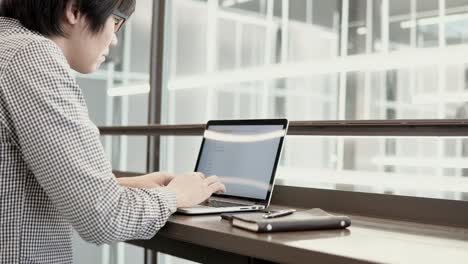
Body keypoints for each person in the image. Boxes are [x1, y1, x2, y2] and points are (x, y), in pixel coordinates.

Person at [0, 0, 226, 263]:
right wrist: (176, 195)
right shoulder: (31, 57)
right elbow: (103, 217)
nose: (115, 40)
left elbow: (17, 181)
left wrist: (125, 186)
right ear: (74, 10)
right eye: (116, 21)